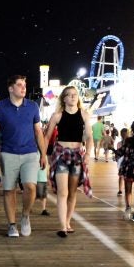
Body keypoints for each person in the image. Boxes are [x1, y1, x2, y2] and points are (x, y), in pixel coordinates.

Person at [0, 75, 47, 237]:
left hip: (30, 152)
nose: (23, 87)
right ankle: (12, 225)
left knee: (30, 186)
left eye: (24, 85)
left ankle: (25, 216)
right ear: (11, 88)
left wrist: (43, 154)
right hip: (8, 153)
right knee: (8, 190)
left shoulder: (32, 106)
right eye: (19, 85)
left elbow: (38, 131)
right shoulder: (0, 107)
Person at [43, 85, 93, 236]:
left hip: (77, 155)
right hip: (61, 155)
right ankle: (62, 226)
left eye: (75, 94)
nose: (72, 97)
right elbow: (46, 137)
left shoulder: (84, 115)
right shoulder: (57, 115)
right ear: (63, 98)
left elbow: (89, 137)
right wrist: (42, 156)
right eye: (69, 95)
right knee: (62, 192)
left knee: (72, 192)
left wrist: (88, 154)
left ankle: (68, 221)